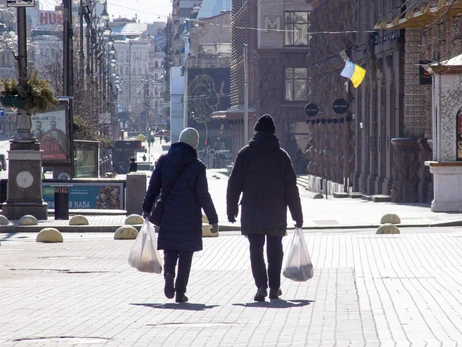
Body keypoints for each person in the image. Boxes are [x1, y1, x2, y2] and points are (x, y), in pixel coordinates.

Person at [226, 114, 303, 302]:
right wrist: (297, 215)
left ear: (256, 132)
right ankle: (275, 287)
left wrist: (231, 207)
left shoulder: (245, 154)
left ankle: (261, 285)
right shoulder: (281, 155)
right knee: (275, 249)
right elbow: (291, 188)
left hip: (252, 210)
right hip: (276, 211)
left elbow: (234, 183)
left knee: (256, 248)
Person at [142, 127, 219, 303]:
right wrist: (213, 219)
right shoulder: (198, 167)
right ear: (194, 144)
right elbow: (203, 195)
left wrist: (146, 207)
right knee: (186, 255)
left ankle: (169, 274)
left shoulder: (164, 161)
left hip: (168, 214)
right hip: (190, 217)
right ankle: (180, 291)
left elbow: (154, 186)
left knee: (170, 250)